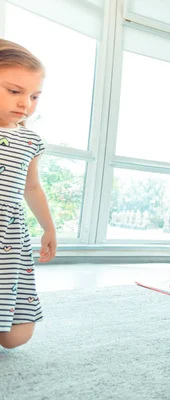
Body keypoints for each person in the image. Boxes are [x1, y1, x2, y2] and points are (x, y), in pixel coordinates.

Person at [0, 39, 57, 349]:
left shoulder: (30, 140)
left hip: (10, 241)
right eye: (14, 91)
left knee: (16, 338)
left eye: (34, 96)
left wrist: (48, 227)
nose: (26, 104)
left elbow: (32, 186)